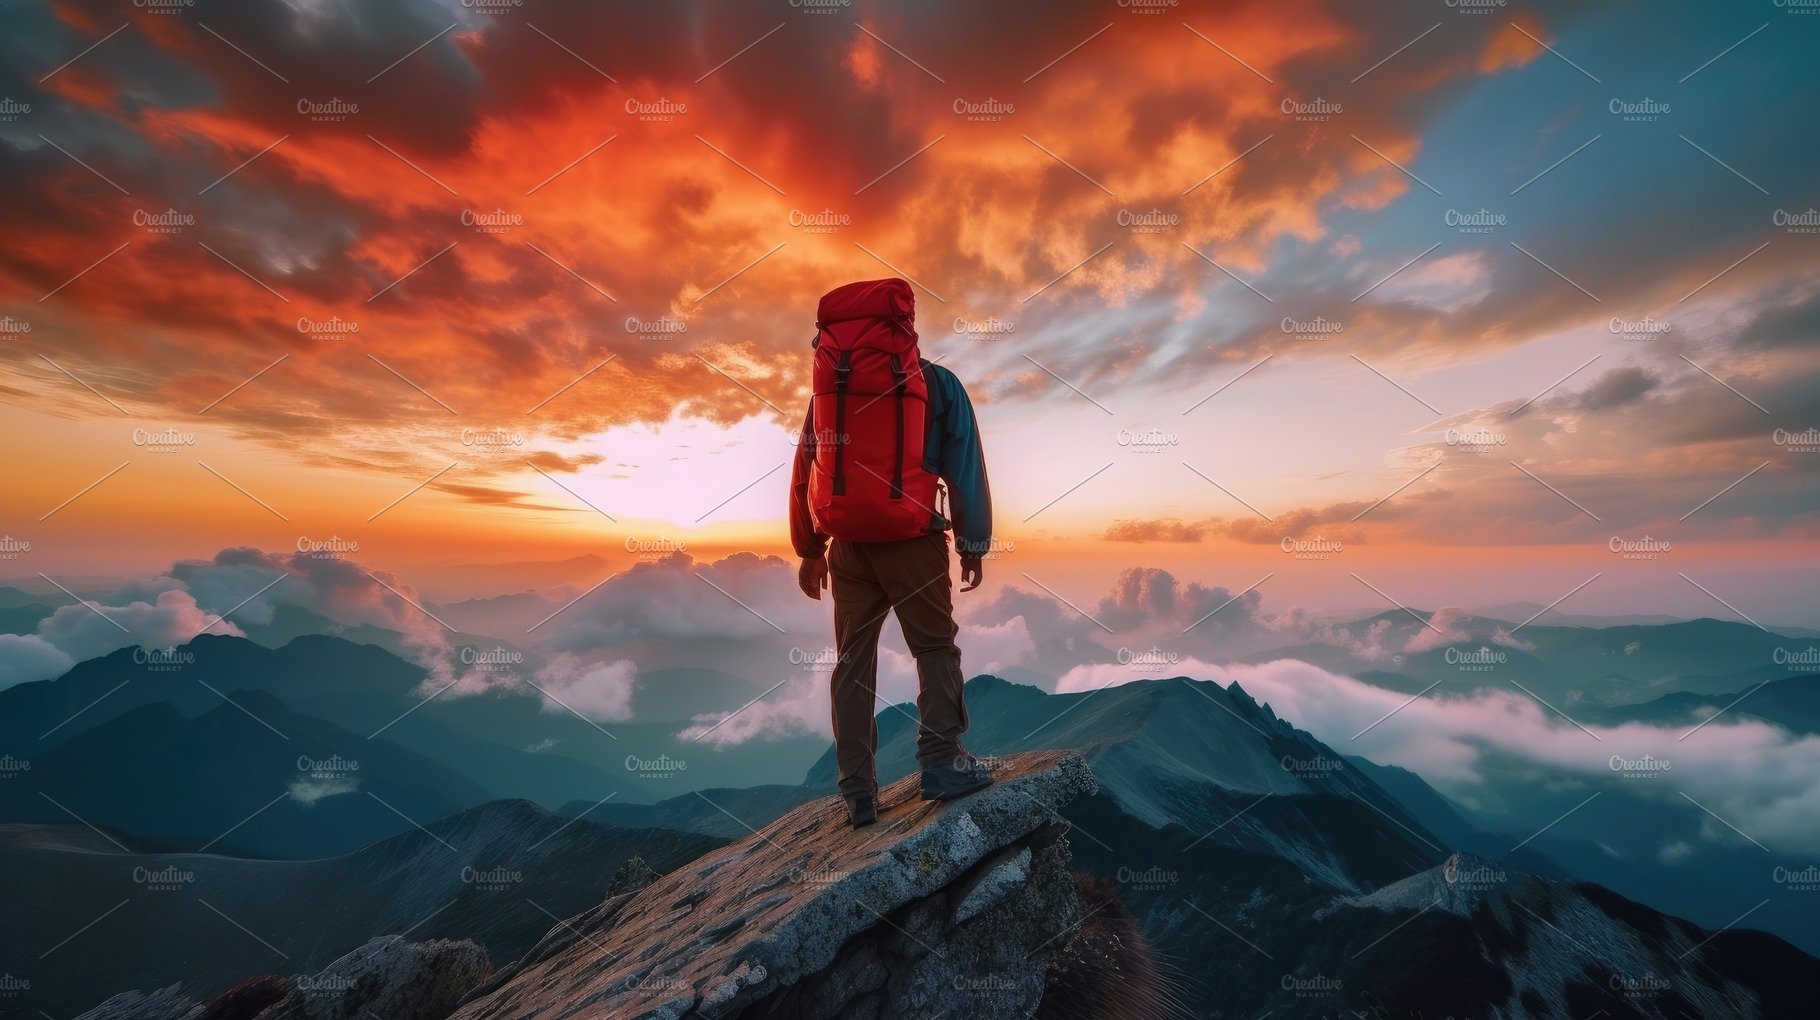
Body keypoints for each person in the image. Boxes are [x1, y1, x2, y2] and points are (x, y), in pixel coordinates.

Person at [788, 278, 995, 828]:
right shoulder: (936, 384)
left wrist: (811, 548)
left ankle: (857, 793)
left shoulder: (828, 393)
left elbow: (805, 469)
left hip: (849, 546)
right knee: (935, 650)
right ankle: (941, 763)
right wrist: (973, 542)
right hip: (913, 543)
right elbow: (965, 465)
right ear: (907, 327)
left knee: (853, 663)